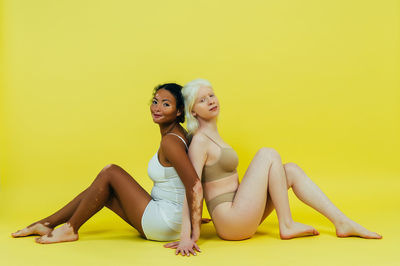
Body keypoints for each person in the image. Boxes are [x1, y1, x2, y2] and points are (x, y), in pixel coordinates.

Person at [166, 78, 382, 246]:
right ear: (193, 111)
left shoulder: (214, 136)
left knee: (291, 171)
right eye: (202, 100)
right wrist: (189, 234)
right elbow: (192, 187)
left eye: (211, 95)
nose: (211, 101)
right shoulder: (200, 142)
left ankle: (341, 222)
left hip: (240, 212)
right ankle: (286, 224)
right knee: (268, 154)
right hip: (231, 221)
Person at [12, 83, 204, 255]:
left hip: (165, 222)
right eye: (155, 102)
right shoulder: (178, 134)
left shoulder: (171, 141)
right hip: (169, 219)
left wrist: (191, 233)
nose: (157, 108)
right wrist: (191, 219)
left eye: (166, 104)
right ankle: (46, 224)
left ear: (179, 111)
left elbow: (194, 185)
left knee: (111, 171)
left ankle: (70, 228)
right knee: (101, 191)